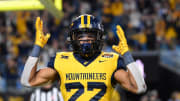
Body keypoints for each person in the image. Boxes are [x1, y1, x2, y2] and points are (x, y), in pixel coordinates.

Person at [21, 14, 147, 101]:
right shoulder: (61, 60)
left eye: (90, 36)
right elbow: (27, 80)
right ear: (73, 39)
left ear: (98, 38)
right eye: (81, 37)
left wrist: (126, 54)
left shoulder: (110, 60)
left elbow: (139, 87)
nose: (86, 40)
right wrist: (37, 47)